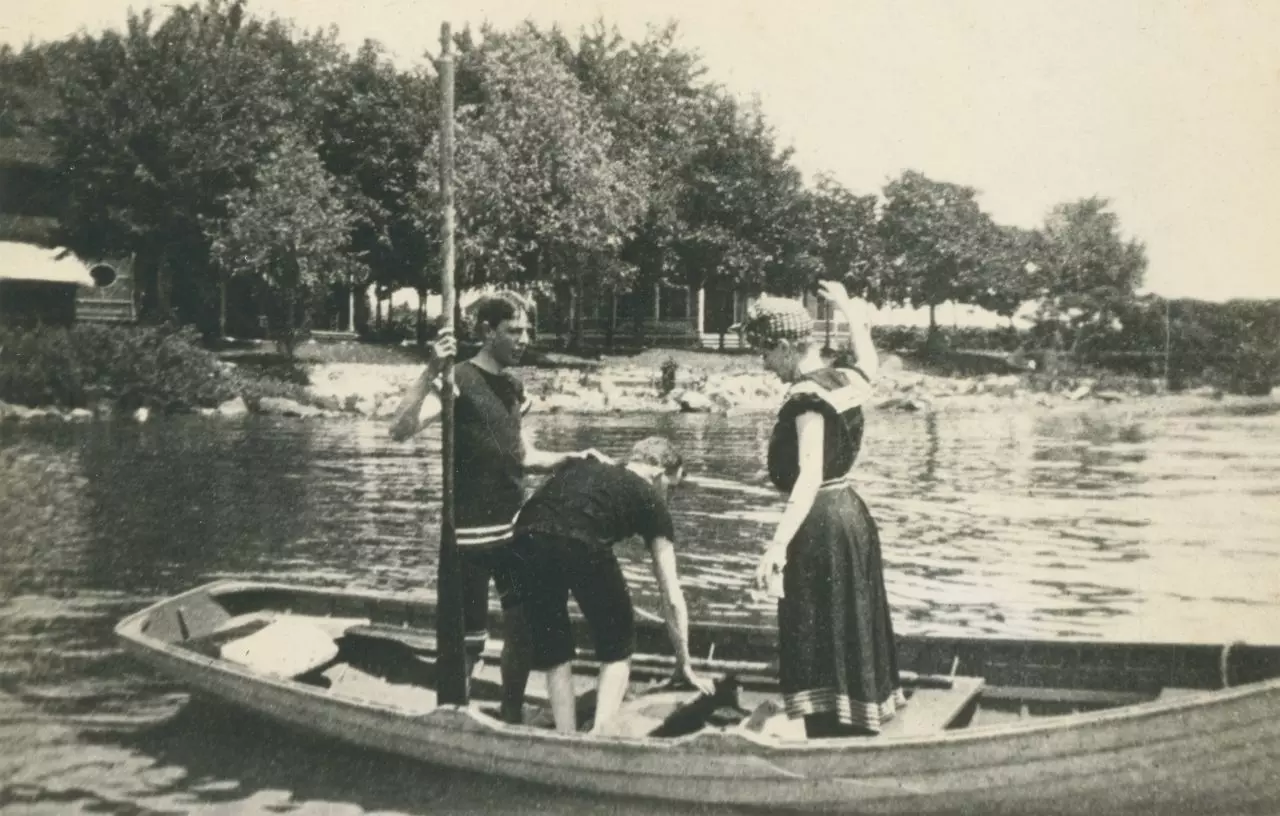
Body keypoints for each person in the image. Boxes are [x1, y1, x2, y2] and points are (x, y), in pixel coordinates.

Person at [387, 292, 603, 724]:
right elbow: (399, 429)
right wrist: (430, 369)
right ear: (487, 332)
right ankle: (454, 717)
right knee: (467, 641)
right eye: (513, 331)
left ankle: (509, 714)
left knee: (521, 629)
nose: (524, 339)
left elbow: (522, 455)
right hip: (467, 537)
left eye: (527, 330)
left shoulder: (513, 387)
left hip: (513, 531)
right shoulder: (458, 379)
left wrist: (570, 458)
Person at [741, 280, 906, 738]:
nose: (764, 364)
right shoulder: (845, 379)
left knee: (815, 623)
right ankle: (859, 715)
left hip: (819, 523)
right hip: (851, 512)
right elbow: (869, 360)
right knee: (849, 615)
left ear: (783, 346)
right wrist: (850, 311)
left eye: (764, 353)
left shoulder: (805, 397)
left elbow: (809, 473)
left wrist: (777, 545)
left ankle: (830, 731)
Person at [509, 436, 713, 734]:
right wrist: (685, 664)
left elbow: (535, 507)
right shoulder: (650, 496)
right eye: (673, 487)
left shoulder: (588, 465)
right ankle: (600, 734)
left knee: (554, 648)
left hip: (525, 536)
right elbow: (671, 593)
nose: (670, 498)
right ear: (657, 473)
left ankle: (566, 735)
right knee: (619, 641)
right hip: (579, 541)